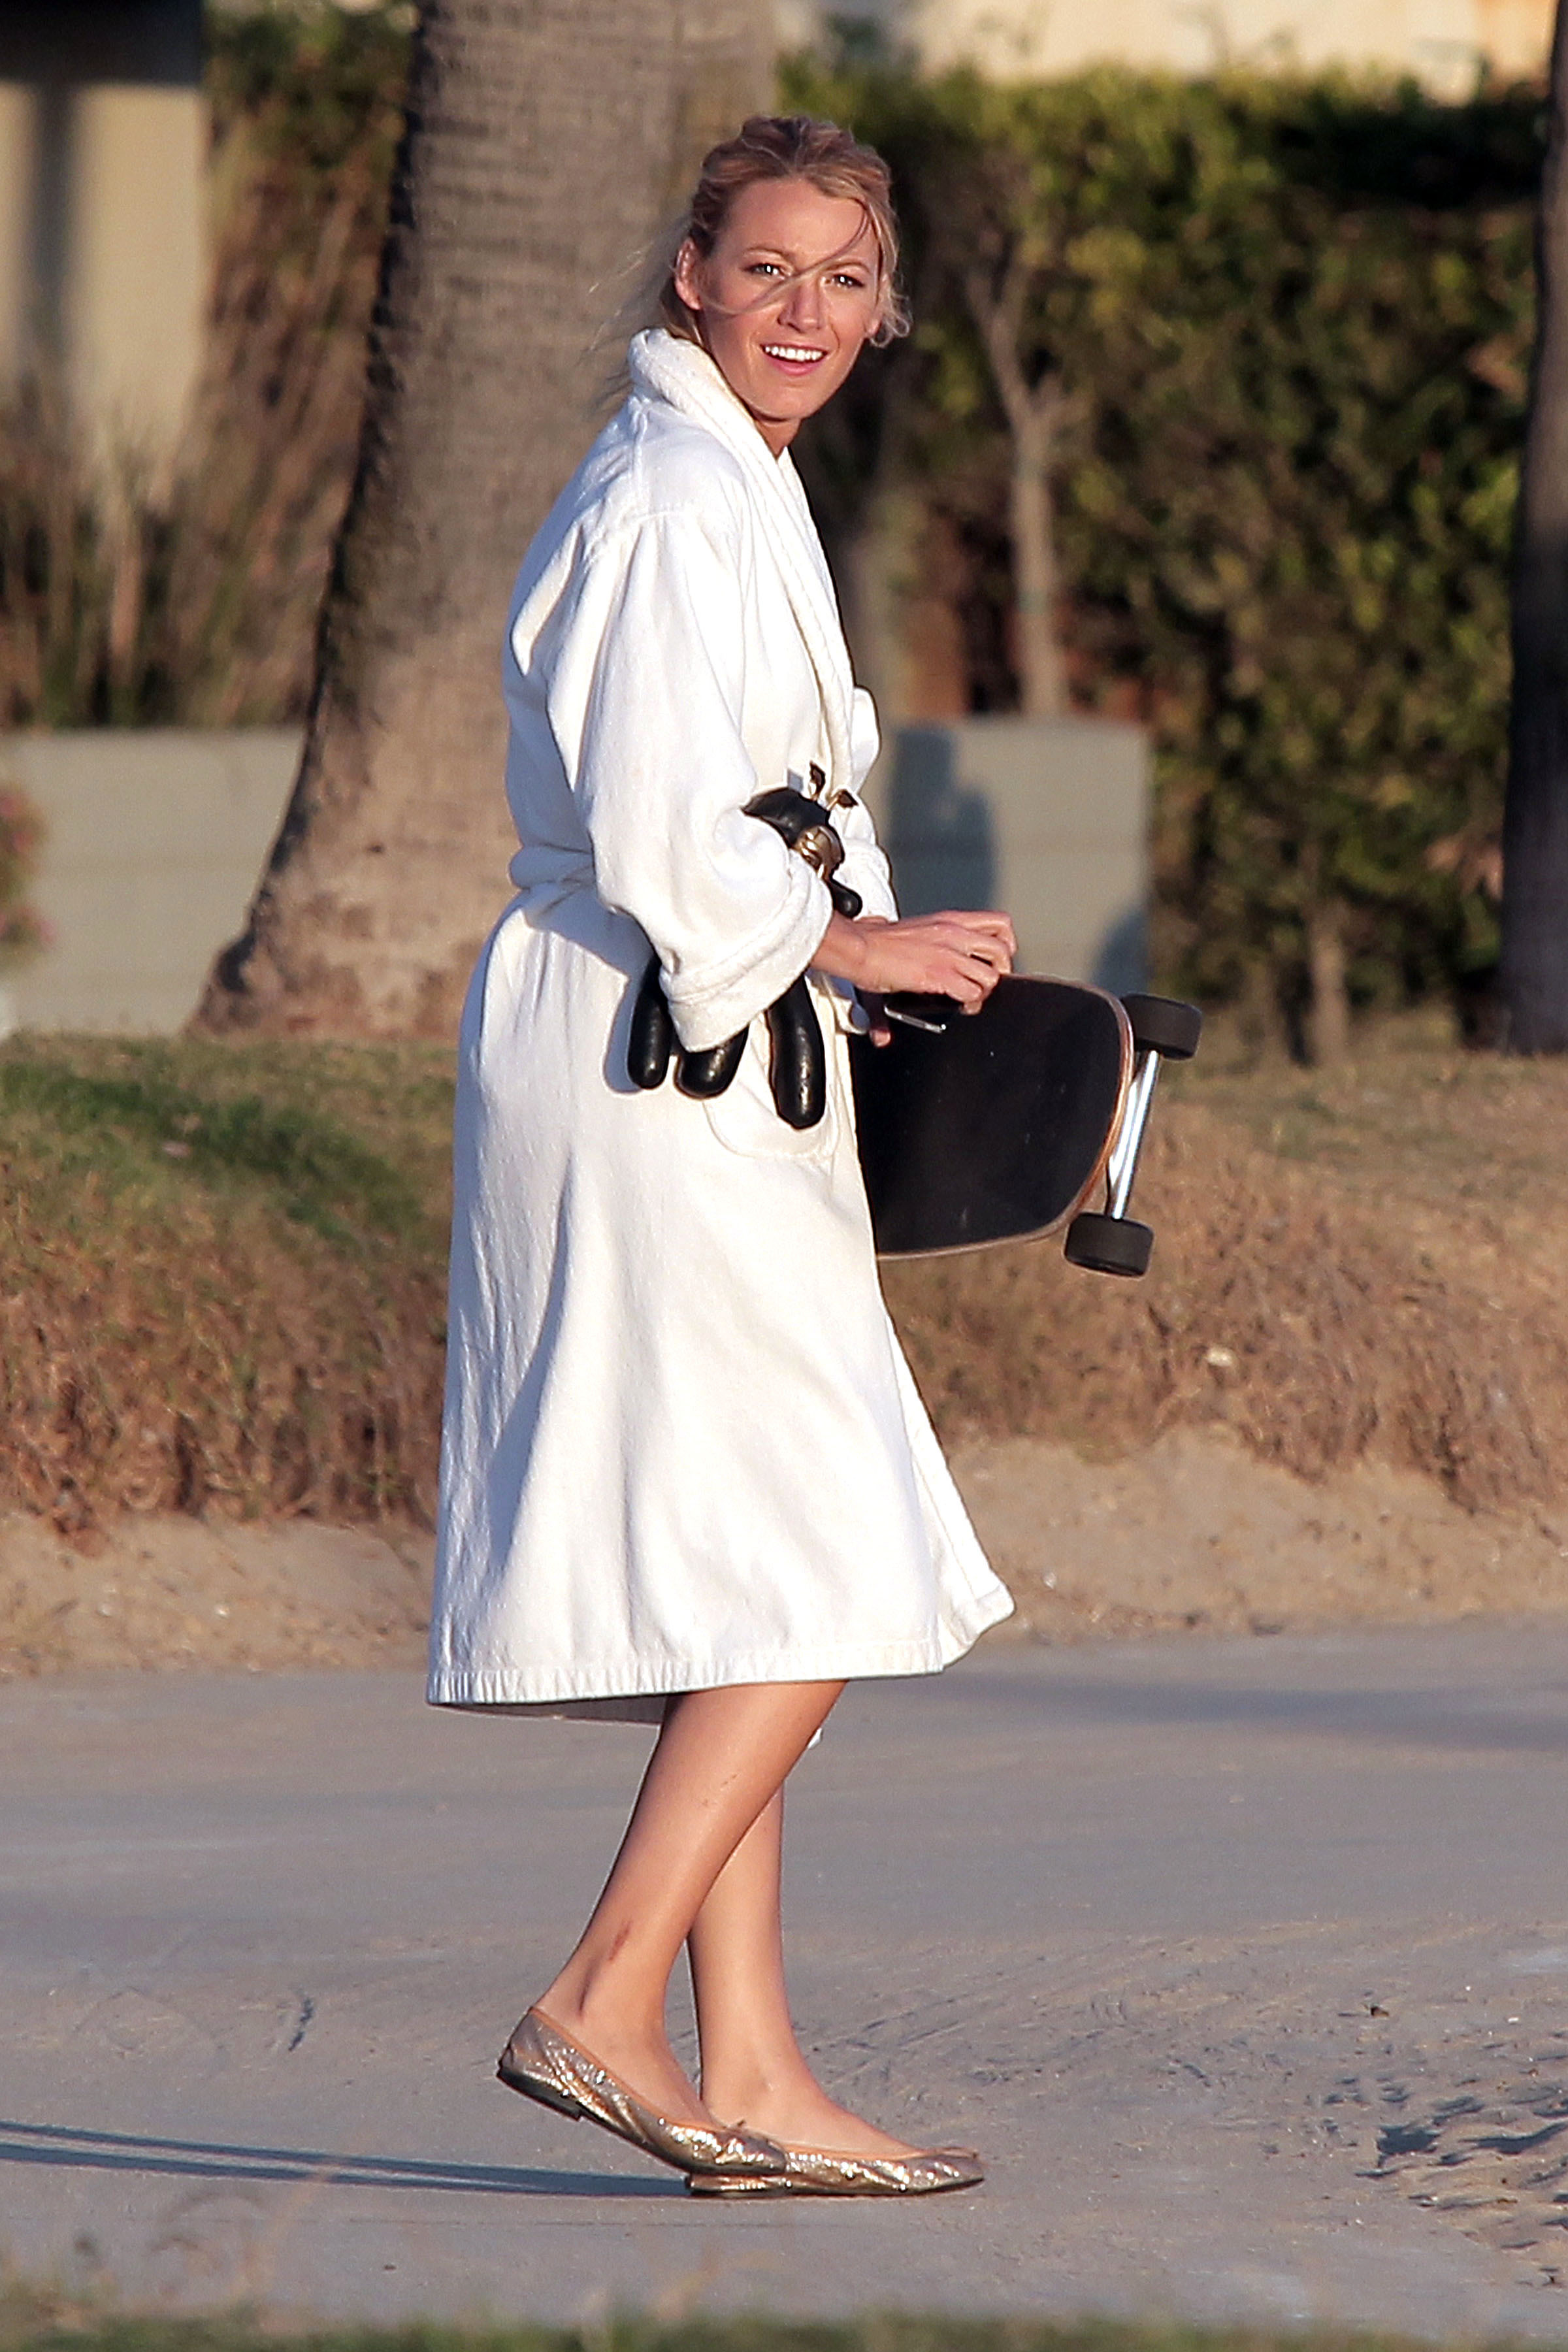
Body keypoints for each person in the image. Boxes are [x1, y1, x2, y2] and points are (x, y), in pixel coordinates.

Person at [427, 114, 1017, 2198]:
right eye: (768, 269)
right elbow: (677, 828)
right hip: (661, 1057)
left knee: (752, 1562)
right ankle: (607, 1994)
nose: (806, 311)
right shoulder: (676, 497)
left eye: (845, 280)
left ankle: (750, 2066)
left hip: (694, 1049)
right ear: (693, 273)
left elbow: (756, 807)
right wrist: (847, 942)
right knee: (829, 1533)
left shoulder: (729, 482)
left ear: (882, 305)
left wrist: (861, 950)